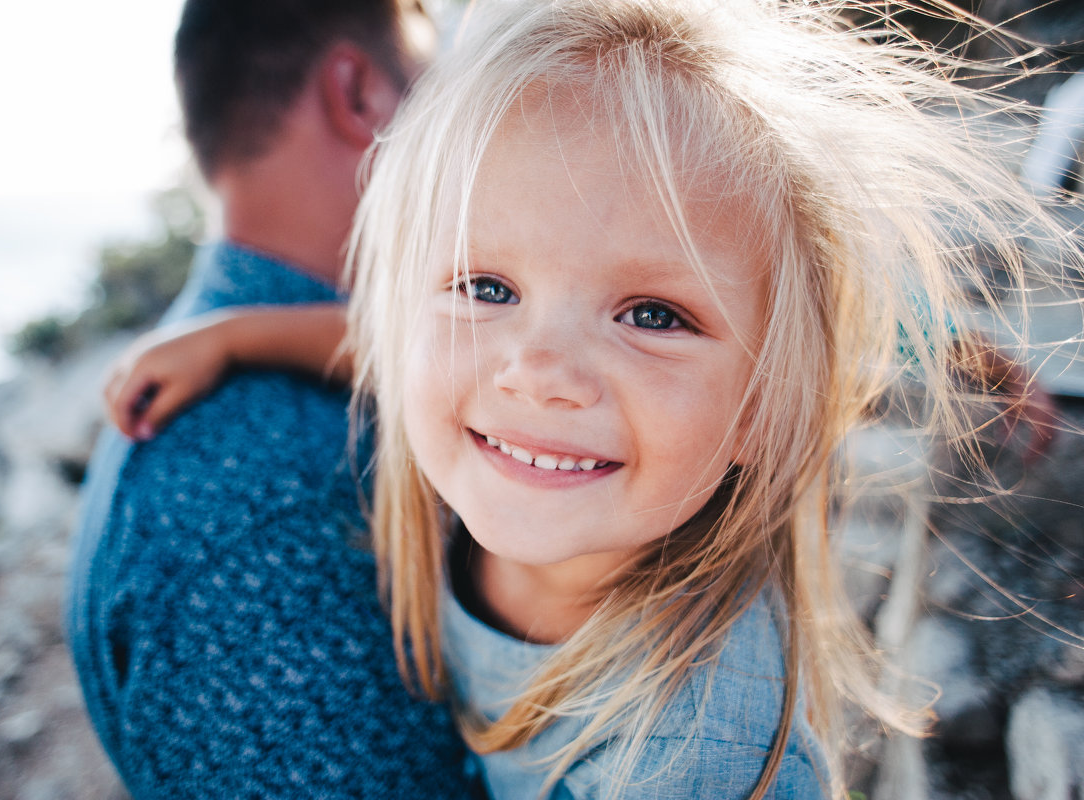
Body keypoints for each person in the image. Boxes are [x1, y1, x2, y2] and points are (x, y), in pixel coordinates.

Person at [100, 0, 1083, 797]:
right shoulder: (498, 434)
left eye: (652, 312)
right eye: (487, 286)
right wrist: (238, 333)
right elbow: (409, 345)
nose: (539, 370)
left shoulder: (702, 752)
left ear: (767, 410)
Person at [64, 1, 471, 797]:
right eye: (433, 89)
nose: (462, 136)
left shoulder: (236, 380)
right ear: (358, 95)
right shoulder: (259, 493)